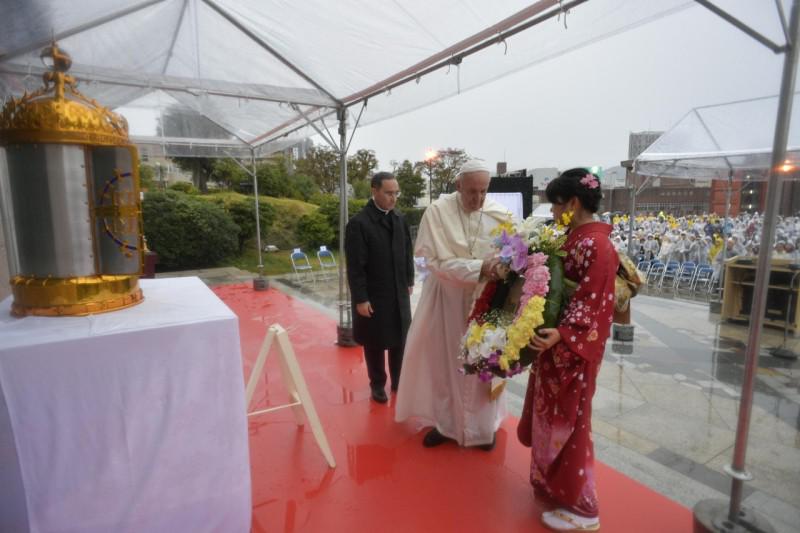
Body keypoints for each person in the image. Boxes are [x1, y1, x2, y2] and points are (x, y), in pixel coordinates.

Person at [518, 168, 618, 532]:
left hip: (573, 348)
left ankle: (584, 507)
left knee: (572, 424)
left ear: (573, 203)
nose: (554, 213)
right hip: (554, 343)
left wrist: (561, 333)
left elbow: (594, 304)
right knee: (551, 416)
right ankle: (553, 483)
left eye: (557, 205)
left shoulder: (597, 245)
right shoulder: (572, 237)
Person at [395, 159, 512, 450]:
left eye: (484, 191)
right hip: (446, 299)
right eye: (471, 191)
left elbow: (512, 257)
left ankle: (484, 429)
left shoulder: (500, 215)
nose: (478, 199)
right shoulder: (437, 212)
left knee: (485, 361)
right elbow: (436, 262)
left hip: (486, 301)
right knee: (445, 364)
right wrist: (480, 268)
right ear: (458, 185)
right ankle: (446, 425)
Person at [345, 172, 414, 404]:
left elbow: (407, 253)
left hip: (398, 291)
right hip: (374, 294)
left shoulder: (399, 219)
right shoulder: (359, 224)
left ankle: (398, 381)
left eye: (396, 193)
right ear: (374, 191)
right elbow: (355, 266)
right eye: (388, 193)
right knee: (375, 342)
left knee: (399, 339)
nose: (393, 198)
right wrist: (361, 298)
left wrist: (410, 280)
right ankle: (377, 384)